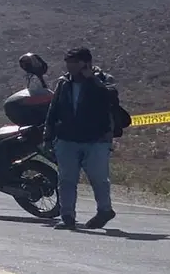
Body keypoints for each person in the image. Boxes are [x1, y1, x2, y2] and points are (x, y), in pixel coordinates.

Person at [44, 47, 121, 230]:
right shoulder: (64, 83)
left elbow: (111, 97)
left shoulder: (103, 80)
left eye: (74, 63)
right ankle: (67, 216)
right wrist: (48, 136)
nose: (69, 67)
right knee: (66, 179)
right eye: (68, 63)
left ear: (86, 63)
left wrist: (92, 80)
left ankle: (105, 210)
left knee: (99, 178)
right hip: (67, 139)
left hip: (96, 139)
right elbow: (53, 110)